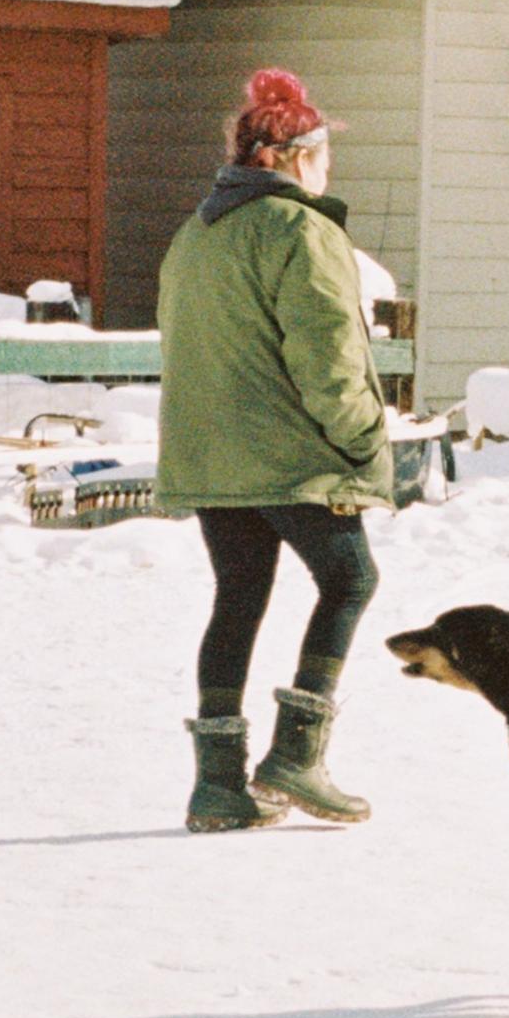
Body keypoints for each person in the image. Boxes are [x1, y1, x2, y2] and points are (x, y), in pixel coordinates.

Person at [157, 67, 390, 832]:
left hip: (208, 453)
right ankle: (296, 755)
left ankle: (218, 786)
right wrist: (362, 440)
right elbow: (327, 360)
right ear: (295, 158)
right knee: (350, 578)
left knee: (239, 594)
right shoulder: (302, 230)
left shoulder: (197, 233)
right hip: (290, 455)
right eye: (324, 155)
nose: (330, 170)